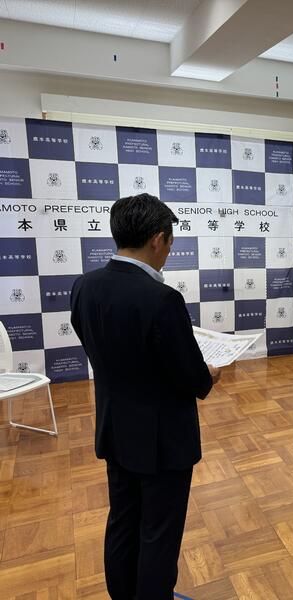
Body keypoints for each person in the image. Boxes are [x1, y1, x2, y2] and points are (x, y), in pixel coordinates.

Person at [70, 193, 221, 599]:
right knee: (158, 533)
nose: (169, 252)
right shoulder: (161, 298)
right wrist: (208, 374)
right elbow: (192, 378)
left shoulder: (84, 286)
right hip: (162, 442)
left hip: (115, 431)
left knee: (123, 521)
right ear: (157, 239)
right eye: (170, 242)